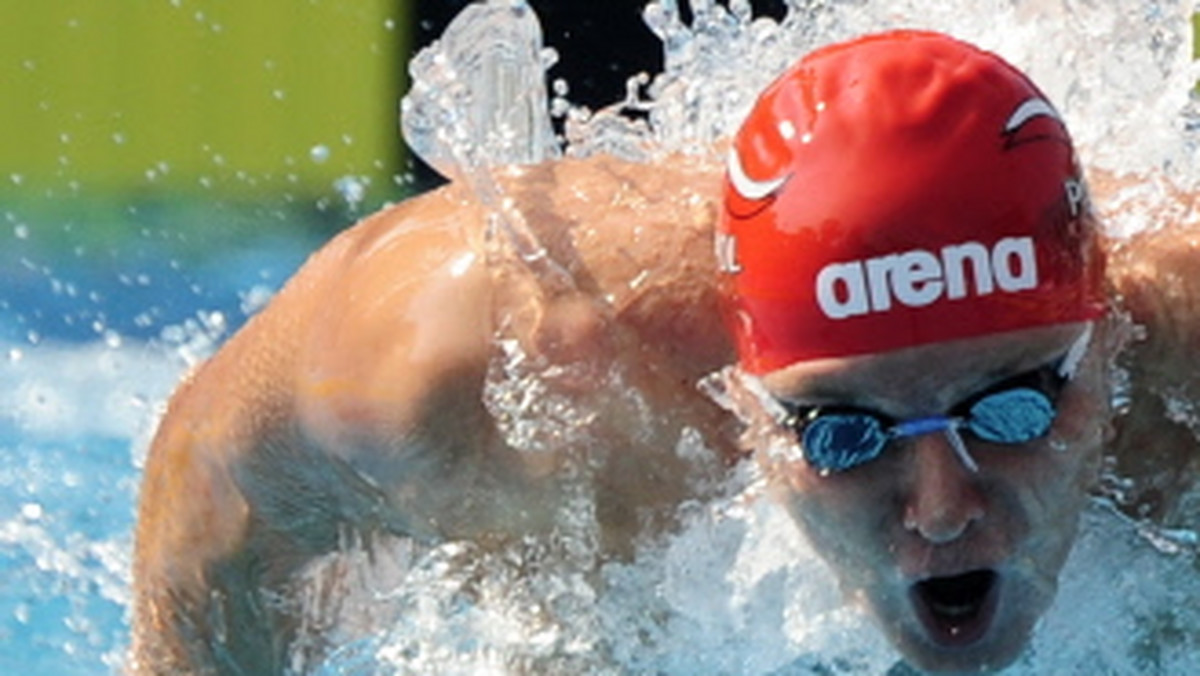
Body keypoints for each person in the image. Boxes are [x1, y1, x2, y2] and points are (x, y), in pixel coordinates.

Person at [130, 30, 1199, 674]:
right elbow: (214, 469)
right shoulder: (506, 372)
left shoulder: (1180, 366)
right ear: (737, 390)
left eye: (1011, 407)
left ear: (1107, 339)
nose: (941, 505)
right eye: (842, 430)